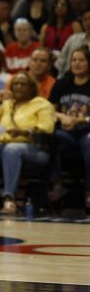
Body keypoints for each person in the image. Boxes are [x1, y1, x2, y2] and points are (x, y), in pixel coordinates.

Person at [0, 73, 55, 215]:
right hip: (4, 144)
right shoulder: (7, 104)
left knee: (12, 149)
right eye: (16, 84)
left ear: (31, 87)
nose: (18, 87)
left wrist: (24, 132)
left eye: (23, 84)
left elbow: (48, 127)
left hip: (35, 148)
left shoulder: (42, 104)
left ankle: (9, 200)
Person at [47, 46, 90, 209]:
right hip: (66, 131)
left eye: (81, 60)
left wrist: (81, 120)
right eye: (74, 60)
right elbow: (49, 110)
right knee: (52, 137)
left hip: (86, 131)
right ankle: (57, 184)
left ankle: (89, 190)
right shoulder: (62, 83)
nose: (77, 63)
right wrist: (62, 117)